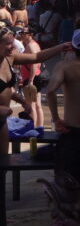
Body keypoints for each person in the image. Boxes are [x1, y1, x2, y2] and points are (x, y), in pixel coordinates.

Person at [0, 27, 70, 226]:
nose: (13, 46)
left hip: (1, 120)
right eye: (8, 43)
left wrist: (60, 47)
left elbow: (35, 57)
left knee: (0, 169)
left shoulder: (9, 58)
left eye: (13, 42)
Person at [48, 30, 80, 175]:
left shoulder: (64, 67)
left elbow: (50, 91)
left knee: (71, 184)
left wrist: (56, 119)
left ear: (72, 48)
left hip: (74, 130)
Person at [18, 25, 45, 127]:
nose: (21, 34)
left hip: (31, 78)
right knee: (37, 105)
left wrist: (30, 80)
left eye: (24, 33)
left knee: (31, 105)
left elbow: (34, 62)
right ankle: (39, 127)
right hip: (35, 77)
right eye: (21, 33)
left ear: (31, 35)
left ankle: (33, 128)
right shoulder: (33, 44)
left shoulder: (30, 46)